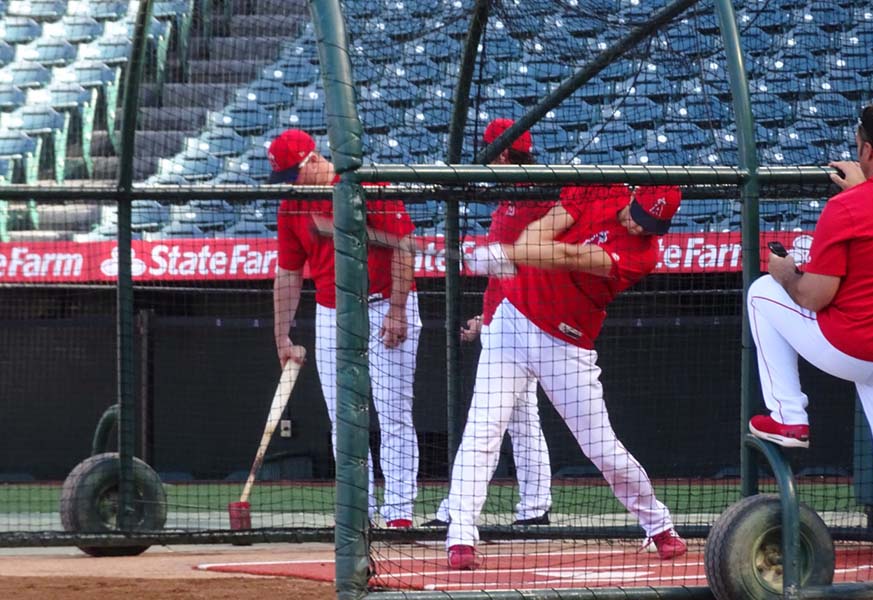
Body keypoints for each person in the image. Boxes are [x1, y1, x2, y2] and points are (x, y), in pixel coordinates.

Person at [445, 179, 687, 570]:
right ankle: (460, 537)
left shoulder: (644, 255)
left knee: (601, 447)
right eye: (638, 215)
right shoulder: (599, 190)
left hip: (566, 343)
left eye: (652, 224)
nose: (641, 227)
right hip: (513, 323)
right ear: (632, 196)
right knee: (483, 429)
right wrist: (517, 253)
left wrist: (510, 254)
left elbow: (566, 256)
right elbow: (541, 232)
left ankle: (659, 526)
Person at [747, 103, 873, 591]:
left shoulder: (849, 206)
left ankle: (789, 415)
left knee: (762, 293)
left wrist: (783, 270)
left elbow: (814, 295)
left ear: (867, 149)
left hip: (857, 350)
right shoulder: (866, 198)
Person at [270, 129, 422, 528]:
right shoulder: (291, 207)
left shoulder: (363, 184)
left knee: (393, 413)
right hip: (332, 312)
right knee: (344, 418)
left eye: (293, 175)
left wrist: (398, 309)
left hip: (384, 303)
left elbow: (403, 246)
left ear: (314, 160)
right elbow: (288, 274)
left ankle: (399, 512)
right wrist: (281, 336)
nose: (289, 186)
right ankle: (360, 511)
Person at [427, 119, 554, 528]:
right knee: (522, 421)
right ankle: (535, 509)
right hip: (507, 323)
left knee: (487, 422)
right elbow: (506, 273)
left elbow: (513, 263)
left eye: (489, 151)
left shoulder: (533, 196)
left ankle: (457, 512)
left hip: (521, 328)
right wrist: (487, 318)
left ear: (501, 153)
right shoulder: (513, 196)